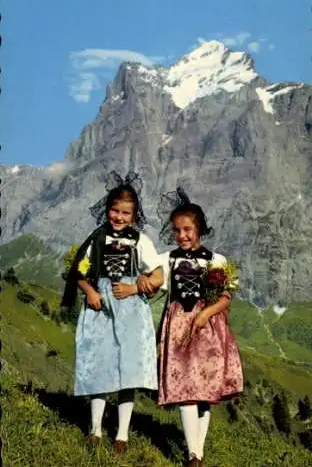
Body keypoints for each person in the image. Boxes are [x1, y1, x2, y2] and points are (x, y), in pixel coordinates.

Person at [62, 171, 163, 453]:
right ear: (107, 209)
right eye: (115, 210)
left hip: (130, 311)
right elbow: (77, 272)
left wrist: (135, 287)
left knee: (128, 370)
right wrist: (90, 291)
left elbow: (157, 277)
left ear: (134, 215)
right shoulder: (96, 238)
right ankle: (94, 429)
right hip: (101, 310)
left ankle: (121, 435)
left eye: (125, 213)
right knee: (100, 366)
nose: (119, 217)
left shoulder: (141, 241)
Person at [157, 187, 243, 467]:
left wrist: (207, 312)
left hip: (208, 331)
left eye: (187, 229)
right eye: (177, 230)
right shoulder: (168, 259)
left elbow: (226, 297)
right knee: (186, 389)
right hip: (179, 328)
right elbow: (153, 281)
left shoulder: (216, 261)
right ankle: (194, 454)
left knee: (204, 393)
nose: (182, 236)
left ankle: (198, 451)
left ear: (200, 229)